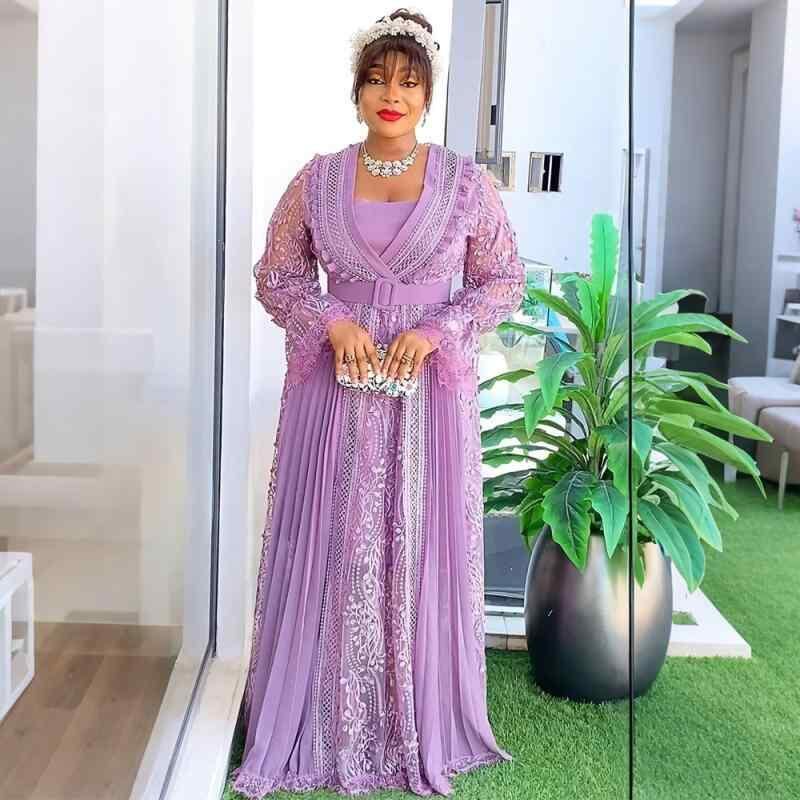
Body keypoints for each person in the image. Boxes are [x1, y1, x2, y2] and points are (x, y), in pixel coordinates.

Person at [231, 8, 525, 798]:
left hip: (427, 398)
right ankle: (319, 716)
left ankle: (415, 717)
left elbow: (503, 280)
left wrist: (437, 331)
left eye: (408, 81)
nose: (391, 94)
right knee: (332, 539)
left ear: (427, 94)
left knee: (419, 540)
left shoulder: (464, 183)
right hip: (335, 391)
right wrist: (332, 321)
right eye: (377, 79)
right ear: (357, 90)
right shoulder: (317, 179)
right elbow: (277, 275)